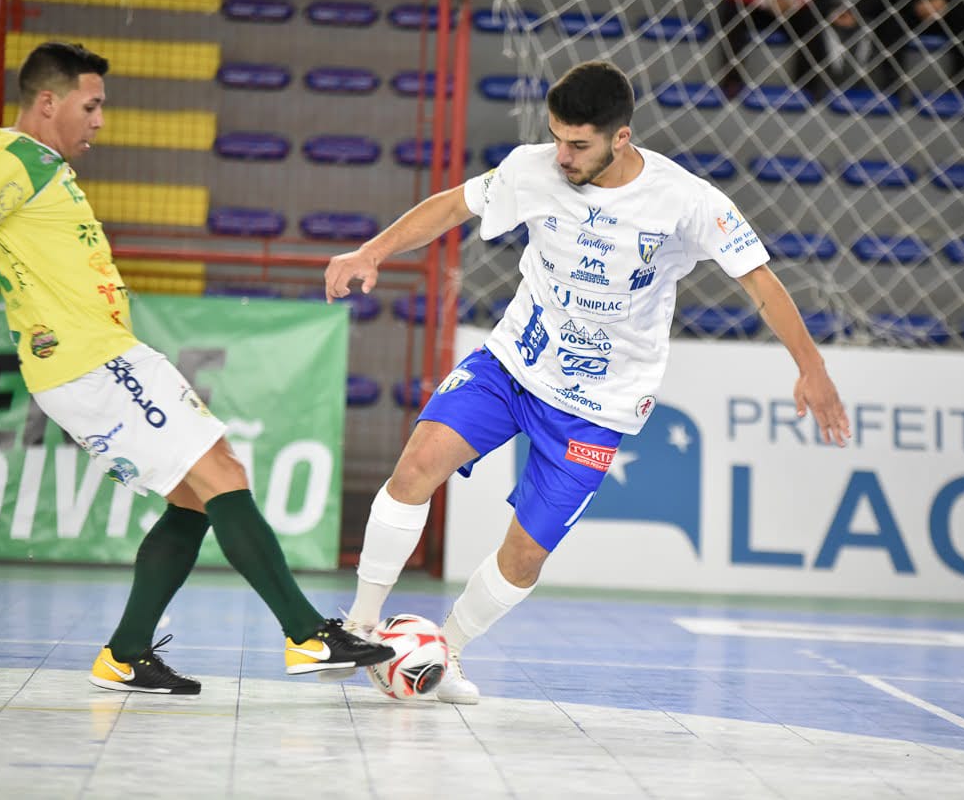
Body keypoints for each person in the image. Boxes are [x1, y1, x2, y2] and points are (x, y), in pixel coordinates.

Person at [323, 60, 852, 704]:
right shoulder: (532, 168)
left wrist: (812, 367)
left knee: (526, 555)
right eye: (556, 138)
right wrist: (371, 251)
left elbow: (760, 282)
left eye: (578, 145)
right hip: (516, 361)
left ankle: (449, 651)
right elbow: (451, 207)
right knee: (415, 468)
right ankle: (358, 627)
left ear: (620, 138)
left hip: (600, 405)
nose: (563, 156)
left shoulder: (688, 200)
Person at [0, 43, 393, 694]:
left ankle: (126, 652)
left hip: (96, 360)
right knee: (221, 471)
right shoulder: (9, 164)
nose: (100, 120)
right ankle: (307, 634)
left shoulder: (1, 152)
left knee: (194, 500)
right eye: (91, 105)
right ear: (48, 103)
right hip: (93, 361)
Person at [715, 0, 824, 98]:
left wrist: (790, 2)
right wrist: (767, 0)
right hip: (753, 5)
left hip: (787, 6)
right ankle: (732, 82)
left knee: (811, 22)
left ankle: (806, 86)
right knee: (732, 14)